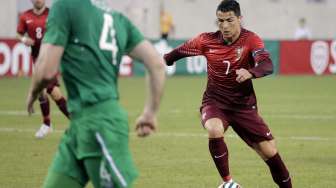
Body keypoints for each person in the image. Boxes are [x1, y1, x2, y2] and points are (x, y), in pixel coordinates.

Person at [26, 0, 166, 187]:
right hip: (80, 129)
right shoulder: (119, 20)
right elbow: (156, 64)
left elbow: (46, 71)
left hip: (99, 126)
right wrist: (150, 113)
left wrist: (33, 92)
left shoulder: (65, 6)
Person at [164, 1, 292, 188]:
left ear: (240, 19)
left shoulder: (251, 40)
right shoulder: (205, 40)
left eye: (229, 20)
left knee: (270, 152)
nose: (224, 25)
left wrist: (251, 72)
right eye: (220, 21)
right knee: (214, 129)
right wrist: (165, 60)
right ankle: (228, 183)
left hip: (243, 107)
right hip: (215, 102)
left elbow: (267, 64)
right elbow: (177, 52)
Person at [17, 0, 70, 138]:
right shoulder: (25, 16)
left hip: (51, 56)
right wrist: (24, 40)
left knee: (51, 90)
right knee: (44, 92)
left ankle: (71, 123)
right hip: (37, 58)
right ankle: (49, 124)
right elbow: (19, 34)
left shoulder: (53, 14)